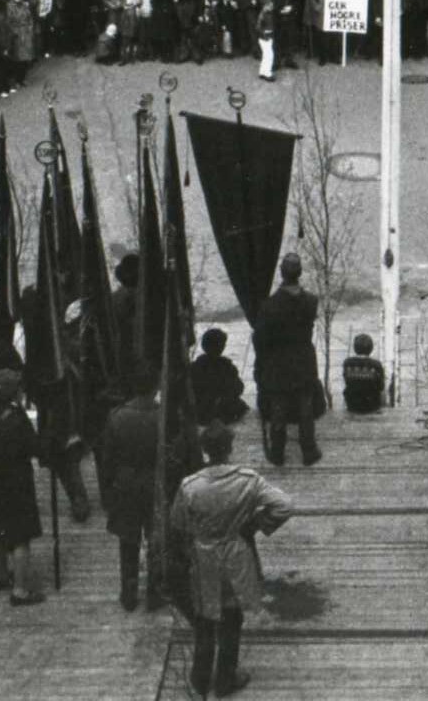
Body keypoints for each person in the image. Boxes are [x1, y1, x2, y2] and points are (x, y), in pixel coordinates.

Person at [167, 422, 292, 700]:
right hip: (237, 556)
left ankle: (199, 680)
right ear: (230, 448)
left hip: (204, 559)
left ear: (205, 450)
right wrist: (256, 524)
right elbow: (285, 505)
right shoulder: (248, 480)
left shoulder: (191, 486)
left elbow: (177, 524)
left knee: (204, 620)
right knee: (232, 618)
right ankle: (225, 678)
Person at [0, 371, 44, 604]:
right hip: (16, 483)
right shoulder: (17, 418)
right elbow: (33, 447)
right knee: (20, 536)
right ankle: (20, 591)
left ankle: (2, 574)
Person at [253, 255, 321, 468]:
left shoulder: (269, 305)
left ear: (281, 273)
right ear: (299, 273)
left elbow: (260, 339)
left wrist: (262, 364)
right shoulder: (311, 301)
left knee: (278, 409)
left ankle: (277, 452)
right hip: (304, 360)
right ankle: (308, 451)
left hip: (278, 363)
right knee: (305, 408)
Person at [97, 386, 161, 612]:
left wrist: (108, 489)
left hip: (126, 485)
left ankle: (129, 592)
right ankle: (155, 592)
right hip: (155, 484)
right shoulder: (163, 416)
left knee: (128, 541)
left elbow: (107, 458)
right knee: (156, 540)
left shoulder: (117, 417)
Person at [188, 330, 248, 424]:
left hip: (202, 407)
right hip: (218, 406)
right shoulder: (225, 366)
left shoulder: (196, 365)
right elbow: (238, 387)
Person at [341, 334, 387, 414]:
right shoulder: (376, 364)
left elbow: (347, 381)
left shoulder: (347, 363)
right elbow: (381, 386)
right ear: (371, 348)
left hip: (352, 405)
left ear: (355, 348)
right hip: (372, 405)